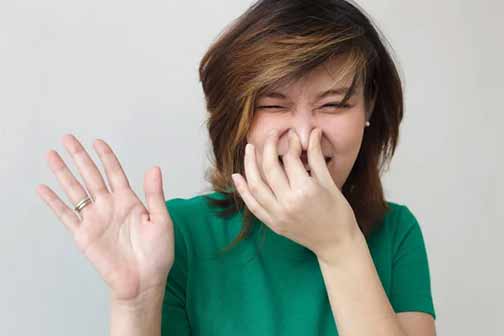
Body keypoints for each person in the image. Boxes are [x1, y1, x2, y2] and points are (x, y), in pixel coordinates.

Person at [36, 0, 436, 335]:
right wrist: (135, 304)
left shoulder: (396, 233)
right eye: (274, 105)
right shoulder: (174, 234)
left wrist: (339, 246)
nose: (303, 136)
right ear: (238, 118)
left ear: (369, 110)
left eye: (333, 104)